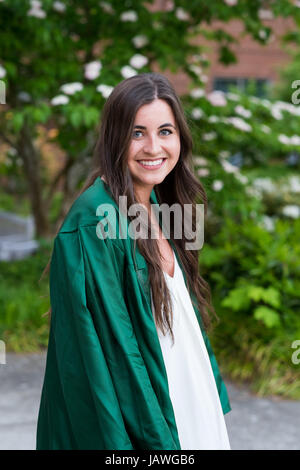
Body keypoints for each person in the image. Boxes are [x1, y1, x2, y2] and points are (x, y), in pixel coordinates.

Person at [36, 72, 231, 450]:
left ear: (180, 138)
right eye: (137, 133)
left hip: (186, 402)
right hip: (146, 421)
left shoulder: (158, 206)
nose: (153, 147)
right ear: (115, 137)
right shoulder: (95, 222)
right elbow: (105, 356)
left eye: (165, 131)